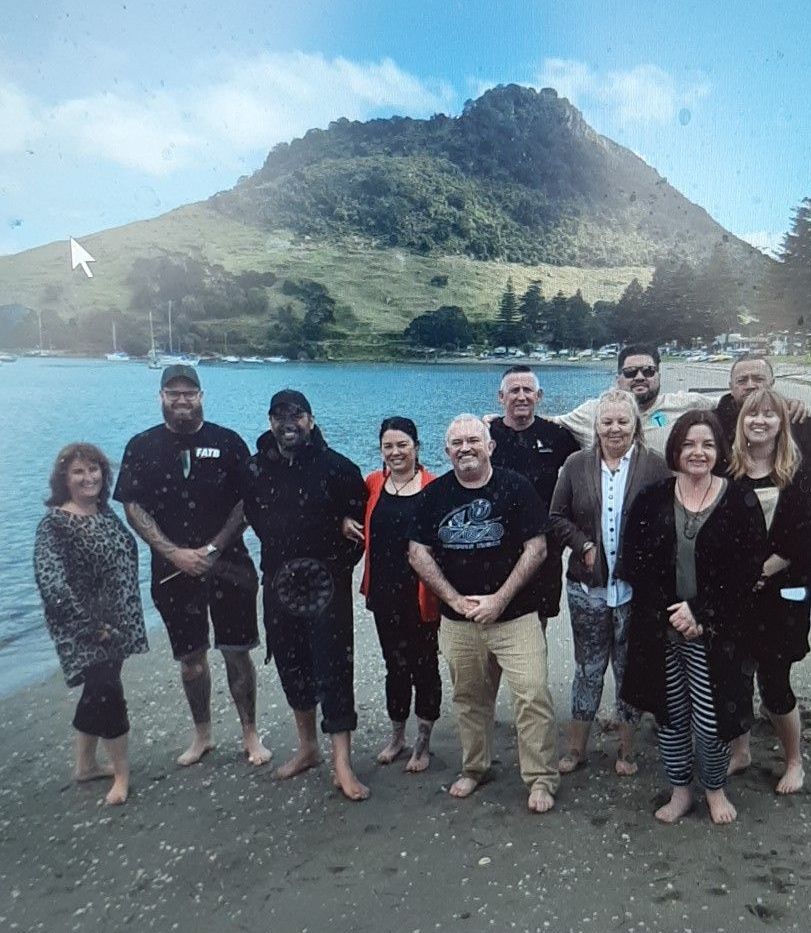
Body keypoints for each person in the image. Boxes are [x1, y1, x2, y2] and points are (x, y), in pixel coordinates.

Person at [114, 365, 269, 767]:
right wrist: (174, 553)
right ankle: (202, 735)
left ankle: (250, 734)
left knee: (237, 653)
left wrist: (214, 547)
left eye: (189, 393)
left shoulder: (229, 442)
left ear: (201, 396)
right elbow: (133, 506)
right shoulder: (141, 446)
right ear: (161, 397)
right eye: (173, 392)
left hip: (229, 565)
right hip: (172, 570)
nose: (181, 400)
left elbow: (247, 502)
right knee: (191, 660)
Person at [620, 410, 766, 824]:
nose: (697, 452)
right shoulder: (652, 499)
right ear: (676, 450)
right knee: (670, 715)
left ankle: (716, 789)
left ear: (719, 450)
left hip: (717, 631)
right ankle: (681, 790)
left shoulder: (739, 499)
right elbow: (635, 563)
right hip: (662, 628)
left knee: (711, 716)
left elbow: (747, 570)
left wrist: (700, 611)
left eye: (707, 444)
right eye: (688, 444)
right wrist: (673, 613)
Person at [409, 414, 559, 813]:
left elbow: (537, 548)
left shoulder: (516, 487)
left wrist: (500, 599)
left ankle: (540, 778)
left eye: (474, 440)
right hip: (459, 621)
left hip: (516, 616)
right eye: (456, 443)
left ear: (490, 446)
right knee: (470, 698)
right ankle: (475, 767)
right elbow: (417, 552)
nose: (465, 448)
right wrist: (454, 599)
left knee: (532, 695)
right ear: (446, 452)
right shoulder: (435, 494)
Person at [241, 389, 370, 801]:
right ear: (270, 422)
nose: (288, 423)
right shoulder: (257, 468)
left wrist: (339, 549)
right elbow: (253, 516)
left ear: (310, 421)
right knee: (291, 663)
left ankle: (342, 763)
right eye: (279, 416)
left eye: (296, 415)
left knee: (333, 666)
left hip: (326, 583)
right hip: (279, 580)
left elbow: (360, 524)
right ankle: (308, 748)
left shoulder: (338, 468)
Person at [550, 389, 671, 776]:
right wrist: (582, 543)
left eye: (623, 421)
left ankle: (627, 750)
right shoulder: (575, 464)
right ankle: (576, 748)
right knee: (588, 668)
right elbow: (556, 518)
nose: (615, 428)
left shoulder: (656, 466)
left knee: (628, 669)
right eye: (607, 421)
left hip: (636, 592)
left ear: (636, 424)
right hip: (587, 590)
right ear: (596, 425)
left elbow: (669, 522)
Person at [34, 443, 148, 805]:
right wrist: (91, 627)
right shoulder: (55, 523)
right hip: (86, 628)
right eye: (78, 472)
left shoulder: (102, 512)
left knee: (98, 689)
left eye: (94, 470)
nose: (89, 478)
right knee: (108, 693)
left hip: (117, 624)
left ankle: (84, 766)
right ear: (63, 479)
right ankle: (121, 776)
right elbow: (51, 583)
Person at [343, 417, 441, 772]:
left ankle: (423, 742)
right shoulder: (373, 483)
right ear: (381, 450)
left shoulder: (434, 487)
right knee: (394, 667)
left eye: (403, 445)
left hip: (421, 596)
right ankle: (398, 736)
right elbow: (345, 506)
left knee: (424, 666)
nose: (396, 452)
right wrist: (343, 521)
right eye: (389, 446)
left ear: (416, 446)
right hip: (383, 594)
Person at [726, 388, 810, 793]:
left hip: (783, 594)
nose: (759, 421)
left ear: (782, 423)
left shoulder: (797, 471)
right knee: (734, 675)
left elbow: (803, 535)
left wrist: (768, 568)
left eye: (768, 415)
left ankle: (794, 760)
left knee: (775, 682)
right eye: (751, 415)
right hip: (736, 595)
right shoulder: (729, 471)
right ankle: (740, 751)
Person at [489, 365, 580, 622]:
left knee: (537, 618)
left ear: (538, 396)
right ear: (501, 397)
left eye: (527, 390)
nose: (521, 396)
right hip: (497, 543)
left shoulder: (557, 436)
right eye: (513, 390)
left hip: (545, 545)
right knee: (497, 614)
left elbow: (585, 471)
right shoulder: (486, 435)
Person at [551, 344, 716, 452]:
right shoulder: (592, 411)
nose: (639, 377)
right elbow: (546, 423)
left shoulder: (685, 404)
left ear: (659, 376)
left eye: (648, 371)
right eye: (630, 372)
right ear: (618, 379)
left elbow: (732, 403)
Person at [714, 354, 811, 456]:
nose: (750, 385)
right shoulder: (715, 425)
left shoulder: (796, 420)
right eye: (742, 381)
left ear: (772, 383)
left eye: (758, 379)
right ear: (731, 387)